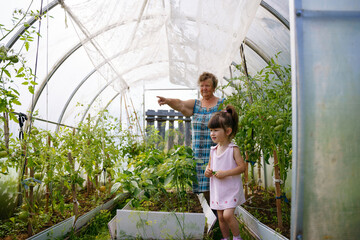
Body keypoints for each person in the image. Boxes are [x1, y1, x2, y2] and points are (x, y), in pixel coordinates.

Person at [157, 72, 225, 201]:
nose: (204, 88)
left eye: (207, 85)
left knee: (218, 185)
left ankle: (220, 215)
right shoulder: (196, 105)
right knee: (205, 190)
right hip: (199, 154)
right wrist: (167, 101)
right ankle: (214, 216)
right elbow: (180, 104)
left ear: (214, 87)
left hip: (216, 153)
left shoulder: (221, 104)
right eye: (202, 85)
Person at [204, 105, 246, 240]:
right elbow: (210, 166)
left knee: (228, 215)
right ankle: (225, 238)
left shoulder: (233, 149)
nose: (212, 133)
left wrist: (225, 173)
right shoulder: (213, 150)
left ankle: (237, 237)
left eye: (216, 130)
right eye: (211, 130)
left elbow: (242, 167)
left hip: (230, 189)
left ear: (228, 131)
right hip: (218, 190)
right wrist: (207, 171)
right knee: (220, 217)